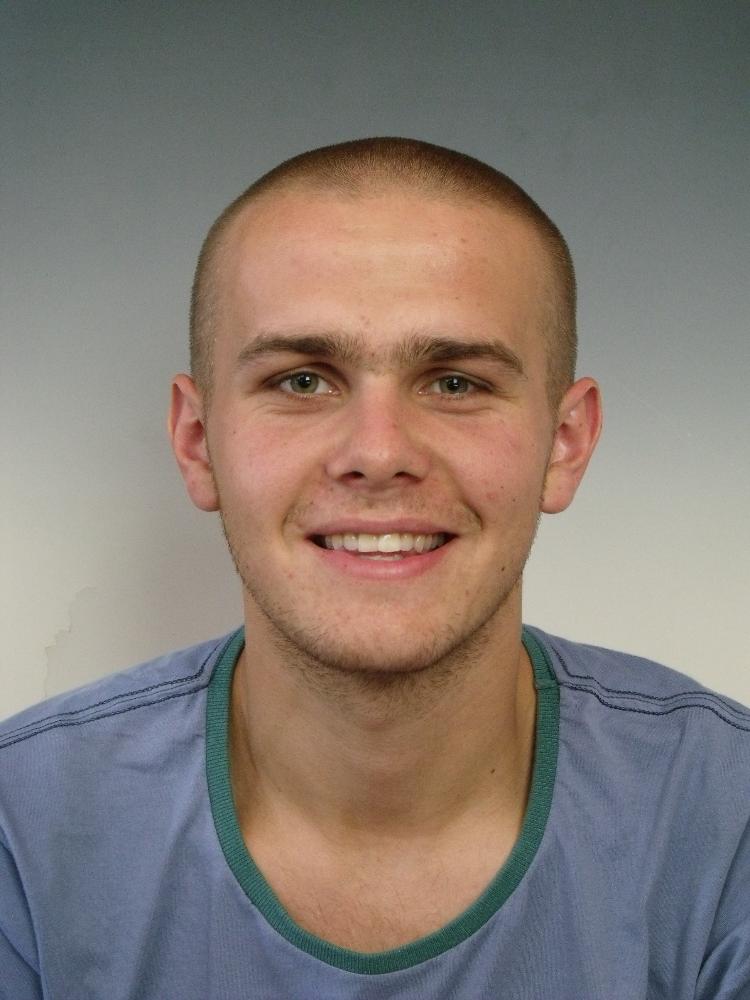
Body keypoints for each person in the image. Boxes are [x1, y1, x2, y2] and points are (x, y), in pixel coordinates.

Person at [1, 138, 748, 1000]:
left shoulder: (726, 821)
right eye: (303, 381)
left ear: (565, 444)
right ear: (198, 442)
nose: (379, 452)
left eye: (456, 383)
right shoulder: (25, 828)